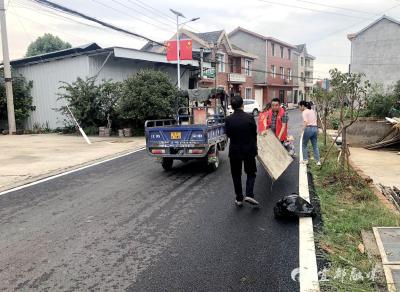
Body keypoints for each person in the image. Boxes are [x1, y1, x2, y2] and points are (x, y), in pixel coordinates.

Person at [225, 95, 259, 207]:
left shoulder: (228, 119)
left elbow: (228, 134)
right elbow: (254, 133)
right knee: (251, 172)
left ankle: (239, 198)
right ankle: (249, 194)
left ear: (232, 106)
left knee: (236, 174)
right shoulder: (249, 118)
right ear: (242, 105)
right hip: (249, 149)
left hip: (234, 150)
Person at [299, 100, 321, 166]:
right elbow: (315, 120)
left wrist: (302, 130)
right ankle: (318, 161)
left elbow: (306, 122)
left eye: (299, 107)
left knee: (304, 144)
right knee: (315, 145)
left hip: (309, 129)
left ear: (303, 106)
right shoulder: (312, 111)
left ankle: (305, 160)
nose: (299, 108)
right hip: (315, 128)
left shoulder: (304, 112)